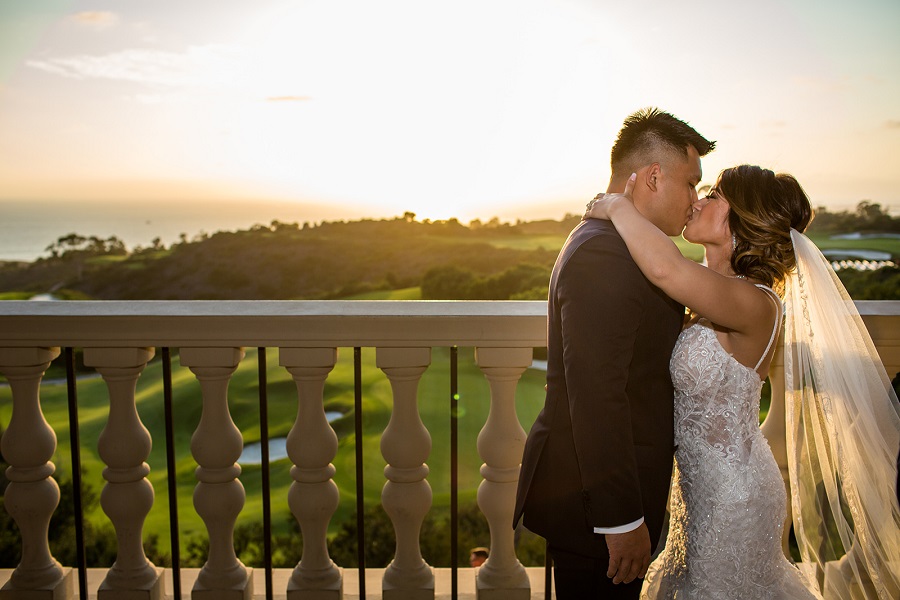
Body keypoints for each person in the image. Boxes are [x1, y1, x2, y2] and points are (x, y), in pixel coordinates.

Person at [584, 165, 900, 599]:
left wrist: (617, 203)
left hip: (733, 496)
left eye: (713, 195)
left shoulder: (755, 301)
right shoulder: (713, 291)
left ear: (742, 218)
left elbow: (665, 270)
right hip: (697, 490)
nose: (697, 200)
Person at [513, 108, 715, 599]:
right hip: (594, 509)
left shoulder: (624, 245)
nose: (695, 200)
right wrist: (620, 519)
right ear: (651, 177)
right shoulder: (606, 254)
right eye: (691, 183)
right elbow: (597, 396)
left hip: (606, 499)